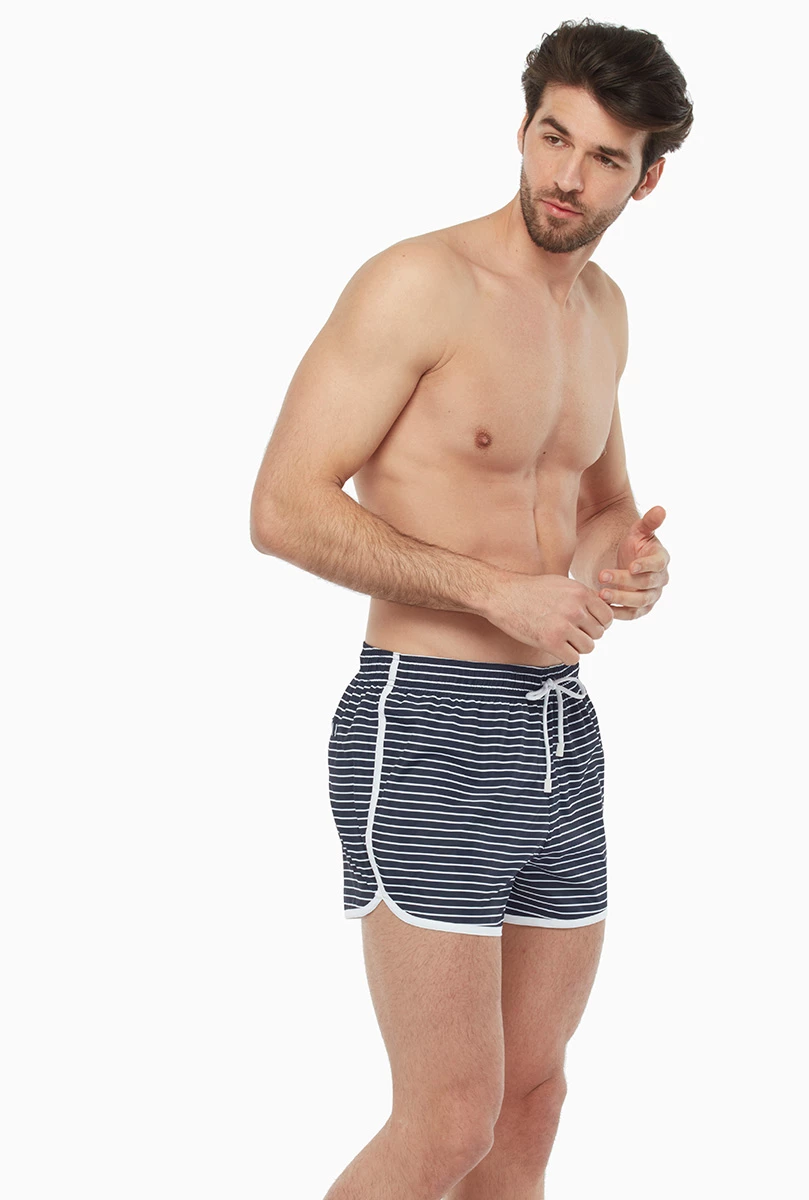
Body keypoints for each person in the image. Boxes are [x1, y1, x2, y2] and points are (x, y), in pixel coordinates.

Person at [250, 17, 691, 1199]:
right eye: (553, 136)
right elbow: (283, 507)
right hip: (426, 721)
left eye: (604, 157)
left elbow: (603, 506)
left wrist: (628, 566)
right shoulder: (418, 286)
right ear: (523, 127)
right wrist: (495, 593)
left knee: (531, 1099)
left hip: (560, 733)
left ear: (645, 179)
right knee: (446, 1121)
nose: (566, 174)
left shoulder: (603, 313)